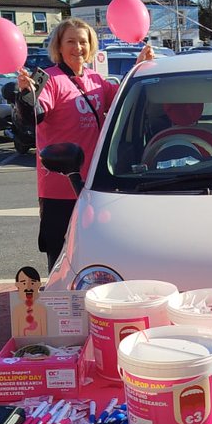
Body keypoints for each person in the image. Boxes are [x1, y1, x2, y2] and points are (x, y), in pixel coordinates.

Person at [17, 18, 153, 270]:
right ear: (59, 45)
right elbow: (34, 115)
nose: (77, 47)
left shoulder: (96, 80)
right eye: (70, 41)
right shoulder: (51, 79)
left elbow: (125, 101)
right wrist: (26, 94)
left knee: (96, 253)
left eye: (83, 41)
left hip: (94, 184)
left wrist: (140, 67)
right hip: (59, 186)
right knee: (60, 256)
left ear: (91, 46)